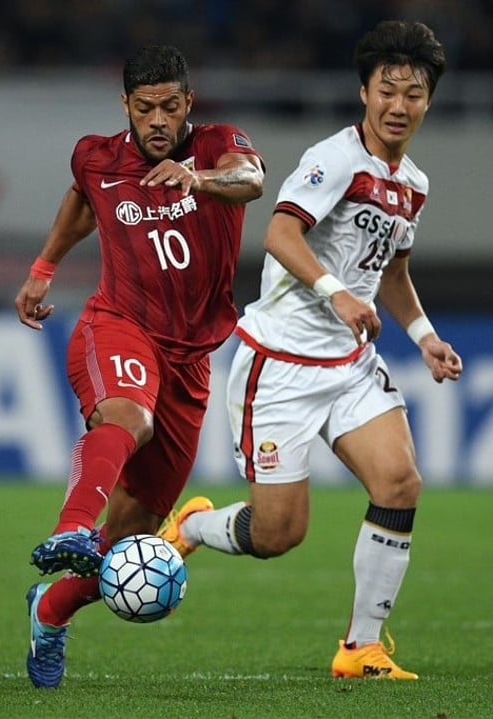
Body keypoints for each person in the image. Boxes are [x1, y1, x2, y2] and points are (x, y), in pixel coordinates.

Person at [159, 20, 462, 680]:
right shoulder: (335, 160)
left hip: (350, 365)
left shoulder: (413, 182)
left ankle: (361, 648)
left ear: (428, 102)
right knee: (277, 534)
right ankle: (194, 525)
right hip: (281, 366)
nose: (398, 105)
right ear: (364, 92)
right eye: (387, 89)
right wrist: (337, 296)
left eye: (413, 93)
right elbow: (280, 233)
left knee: (400, 482)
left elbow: (391, 273)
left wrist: (425, 336)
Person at [14, 44, 265, 689]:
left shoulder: (215, 146)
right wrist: (44, 269)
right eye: (146, 107)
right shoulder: (97, 156)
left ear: (189, 103)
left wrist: (200, 180)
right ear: (125, 105)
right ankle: (70, 526)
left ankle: (50, 609)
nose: (159, 120)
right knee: (129, 416)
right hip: (118, 325)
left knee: (129, 546)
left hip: (191, 361)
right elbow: (80, 202)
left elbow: (252, 180)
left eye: (171, 106)